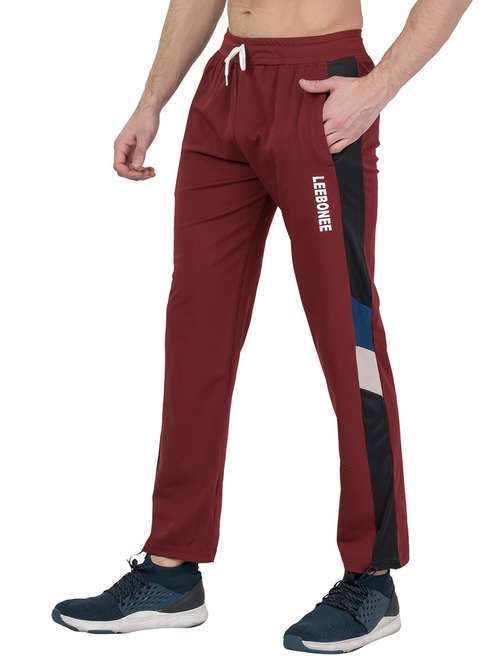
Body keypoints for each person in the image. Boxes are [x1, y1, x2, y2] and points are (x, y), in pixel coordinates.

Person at [52, 0, 472, 653]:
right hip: (226, 89)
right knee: (195, 338)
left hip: (320, 91)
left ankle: (373, 578)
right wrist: (151, 101)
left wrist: (378, 87)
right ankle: (170, 571)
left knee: (349, 338)